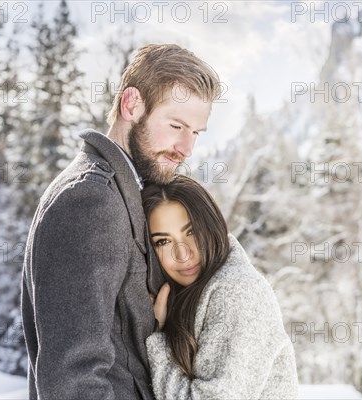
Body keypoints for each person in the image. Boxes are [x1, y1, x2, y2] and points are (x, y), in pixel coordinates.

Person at [21, 44, 221, 400]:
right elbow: (72, 380)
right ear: (132, 105)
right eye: (176, 125)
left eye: (195, 132)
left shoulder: (127, 193)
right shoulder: (91, 200)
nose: (186, 147)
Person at [141, 175, 298, 400]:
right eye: (163, 241)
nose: (183, 254)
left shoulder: (237, 292)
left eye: (191, 232)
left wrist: (158, 337)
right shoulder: (191, 293)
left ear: (212, 225)